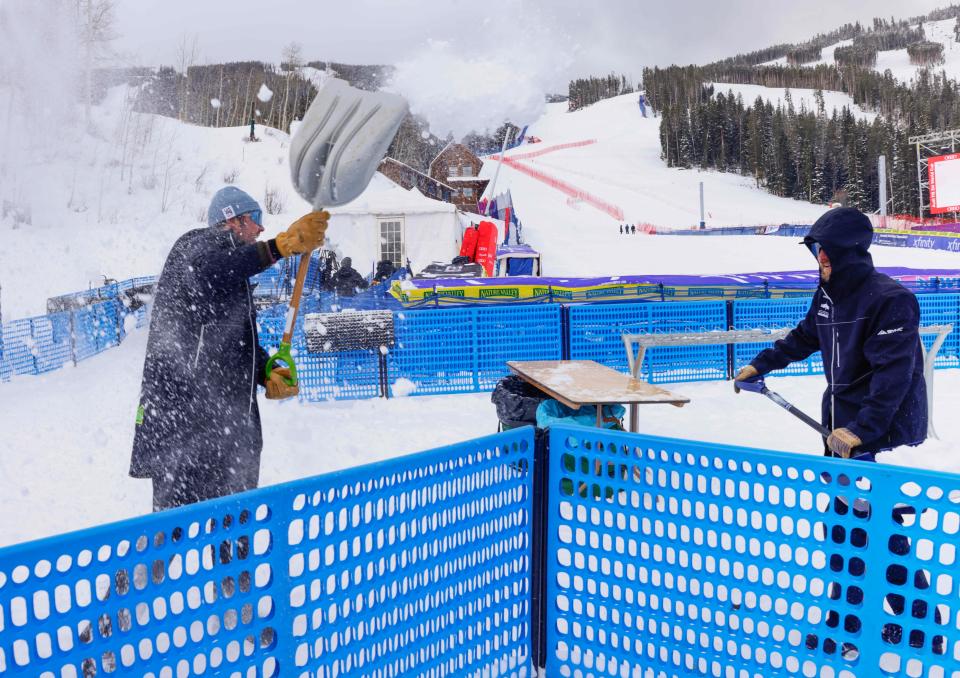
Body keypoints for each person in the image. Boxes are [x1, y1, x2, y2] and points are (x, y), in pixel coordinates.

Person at [130, 186, 328, 511]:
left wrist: (266, 370)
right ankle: (144, 564)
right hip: (185, 423)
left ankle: (232, 562)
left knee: (233, 525)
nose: (262, 228)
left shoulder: (234, 272)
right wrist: (278, 247)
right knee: (170, 527)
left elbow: (237, 342)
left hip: (224, 426)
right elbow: (212, 268)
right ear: (233, 221)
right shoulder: (195, 248)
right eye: (256, 219)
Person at [735, 207, 927, 460]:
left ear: (850, 253)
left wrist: (863, 429)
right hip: (843, 422)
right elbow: (806, 336)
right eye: (816, 249)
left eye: (829, 250)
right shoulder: (828, 295)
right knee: (844, 494)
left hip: (885, 433)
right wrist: (761, 364)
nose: (821, 257)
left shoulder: (891, 300)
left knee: (878, 498)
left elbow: (893, 374)